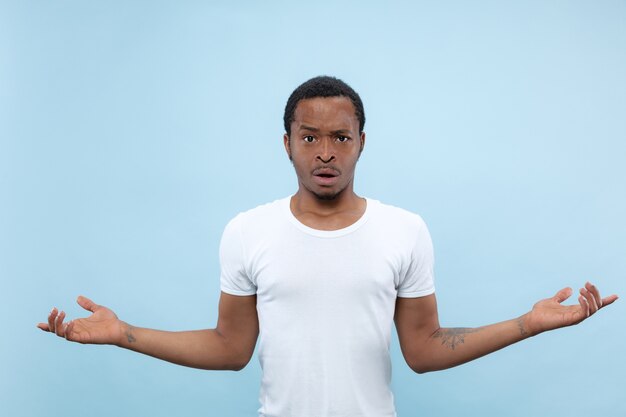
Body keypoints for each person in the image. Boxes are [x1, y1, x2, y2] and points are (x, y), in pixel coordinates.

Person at [38, 76, 618, 417]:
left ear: (361, 143)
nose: (324, 152)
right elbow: (230, 347)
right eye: (308, 136)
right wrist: (125, 335)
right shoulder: (247, 231)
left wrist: (528, 323)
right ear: (286, 144)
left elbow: (424, 349)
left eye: (340, 137)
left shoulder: (404, 230)